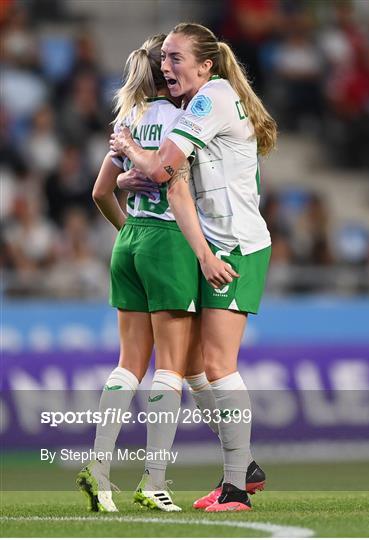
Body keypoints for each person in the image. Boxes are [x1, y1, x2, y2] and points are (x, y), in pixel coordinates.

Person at [110, 22, 276, 512]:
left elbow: (161, 170)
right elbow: (170, 182)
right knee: (196, 367)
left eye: (176, 58)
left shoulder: (212, 98)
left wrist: (127, 151)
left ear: (206, 65)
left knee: (220, 366)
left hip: (236, 246)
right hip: (214, 245)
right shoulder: (198, 106)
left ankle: (237, 488)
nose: (166, 66)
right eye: (164, 58)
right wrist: (129, 170)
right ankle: (242, 465)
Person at [76, 34, 207, 514]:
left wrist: (127, 228)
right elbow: (167, 178)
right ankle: (154, 480)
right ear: (166, 73)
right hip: (169, 240)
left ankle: (99, 468)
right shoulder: (183, 118)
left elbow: (99, 192)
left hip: (129, 241)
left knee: (128, 364)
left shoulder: (128, 118)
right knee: (169, 368)